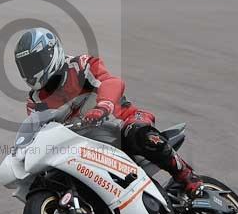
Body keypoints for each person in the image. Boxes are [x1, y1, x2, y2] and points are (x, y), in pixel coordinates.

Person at [14, 27, 204, 197]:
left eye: (34, 63)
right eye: (26, 67)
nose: (31, 71)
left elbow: (111, 82)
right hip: (84, 145)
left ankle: (187, 177)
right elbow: (38, 130)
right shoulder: (35, 100)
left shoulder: (80, 65)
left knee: (137, 132)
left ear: (50, 53)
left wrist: (103, 106)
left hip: (120, 121)